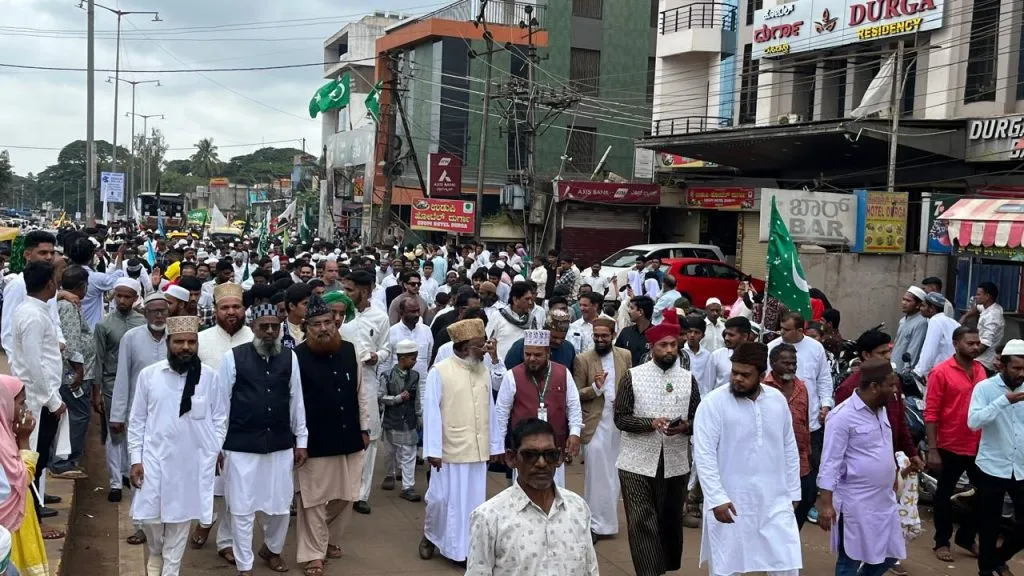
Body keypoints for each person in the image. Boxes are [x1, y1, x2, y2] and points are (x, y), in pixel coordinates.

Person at [128, 315, 227, 576]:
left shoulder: (210, 377)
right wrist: (135, 459)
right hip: (154, 460)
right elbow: (137, 420)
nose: (186, 347)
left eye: (191, 342)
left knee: (180, 522)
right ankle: (156, 551)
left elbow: (220, 418)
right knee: (150, 519)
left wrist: (215, 449)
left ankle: (169, 570)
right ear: (168, 343)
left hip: (191, 464)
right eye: (179, 342)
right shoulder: (150, 376)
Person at [693, 342, 802, 576]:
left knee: (786, 563)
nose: (737, 379)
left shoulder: (777, 400)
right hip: (732, 500)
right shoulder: (713, 403)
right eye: (734, 372)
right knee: (727, 565)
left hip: (774, 500)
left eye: (745, 375)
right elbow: (704, 454)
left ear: (762, 376)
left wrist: (793, 492)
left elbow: (789, 448)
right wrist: (716, 498)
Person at [217, 303, 308, 576]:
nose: (269, 331)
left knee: (280, 506)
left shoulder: (290, 358)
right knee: (242, 508)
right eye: (264, 326)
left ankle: (272, 549)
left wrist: (301, 441)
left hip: (279, 444)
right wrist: (217, 446)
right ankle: (244, 564)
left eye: (274, 327)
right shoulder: (233, 358)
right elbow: (220, 406)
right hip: (240, 446)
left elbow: (297, 401)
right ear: (253, 327)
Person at [614, 309, 700, 576]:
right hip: (636, 462)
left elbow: (697, 418)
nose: (669, 350)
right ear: (652, 347)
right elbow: (621, 418)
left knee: (668, 520)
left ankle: (660, 567)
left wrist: (686, 427)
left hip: (674, 462)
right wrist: (649, 423)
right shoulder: (633, 376)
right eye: (663, 345)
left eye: (673, 344)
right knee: (642, 520)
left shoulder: (688, 379)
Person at [293, 295, 369, 575]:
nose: (324, 328)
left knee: (348, 495)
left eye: (328, 322)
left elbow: (360, 392)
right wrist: (298, 441)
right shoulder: (296, 357)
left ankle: (326, 538)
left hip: (349, 435)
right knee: (313, 499)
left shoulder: (349, 350)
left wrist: (365, 427)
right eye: (317, 324)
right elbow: (294, 403)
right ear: (306, 327)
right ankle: (313, 553)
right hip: (314, 440)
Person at [419, 318, 505, 565]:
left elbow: (491, 408)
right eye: (480, 346)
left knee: (472, 504)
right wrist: (433, 450)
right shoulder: (440, 371)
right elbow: (431, 412)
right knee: (440, 500)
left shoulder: (483, 370)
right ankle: (431, 535)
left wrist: (495, 445)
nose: (484, 349)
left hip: (477, 450)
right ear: (463, 347)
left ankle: (464, 551)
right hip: (448, 450)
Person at [465, 418, 599, 576]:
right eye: (530, 455)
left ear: (559, 458)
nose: (541, 463)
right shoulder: (489, 518)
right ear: (511, 458)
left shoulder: (578, 508)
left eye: (550, 455)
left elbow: (591, 569)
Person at [817, 359, 907, 576]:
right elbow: (829, 463)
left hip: (884, 500)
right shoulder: (841, 417)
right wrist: (826, 505)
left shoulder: (881, 409)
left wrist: (892, 475)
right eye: (890, 385)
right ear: (875, 386)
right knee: (850, 559)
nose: (895, 391)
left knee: (889, 556)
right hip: (855, 504)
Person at [188, 283, 252, 562]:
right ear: (215, 310)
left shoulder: (255, 339)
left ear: (244, 309)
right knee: (209, 482)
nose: (231, 312)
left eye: (236, 307)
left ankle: (226, 541)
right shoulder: (201, 340)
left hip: (245, 423)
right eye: (225, 307)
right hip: (207, 423)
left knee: (236, 487)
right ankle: (206, 519)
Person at [10, 260, 66, 540]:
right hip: (37, 400)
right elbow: (33, 363)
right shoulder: (32, 315)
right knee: (33, 459)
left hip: (41, 396)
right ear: (50, 284)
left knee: (38, 460)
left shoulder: (34, 311)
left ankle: (35, 513)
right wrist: (52, 401)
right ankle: (33, 521)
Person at [924, 325, 985, 562]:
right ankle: (941, 542)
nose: (975, 347)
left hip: (978, 444)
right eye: (970, 343)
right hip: (949, 444)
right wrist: (933, 449)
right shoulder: (940, 372)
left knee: (987, 493)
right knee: (944, 495)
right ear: (956, 344)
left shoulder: (981, 370)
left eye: (977, 343)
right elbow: (931, 412)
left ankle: (966, 537)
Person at [495, 330, 583, 488]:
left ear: (548, 353)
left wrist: (575, 433)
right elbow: (501, 413)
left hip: (554, 448)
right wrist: (499, 445)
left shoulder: (563, 373)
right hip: (524, 450)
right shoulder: (511, 376)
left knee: (555, 491)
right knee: (524, 492)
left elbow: (574, 406)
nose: (531, 359)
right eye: (527, 354)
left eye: (537, 355)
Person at [967, 338, 1024, 576]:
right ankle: (986, 569)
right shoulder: (985, 388)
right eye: (1016, 368)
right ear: (1002, 365)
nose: (1021, 374)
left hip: (1021, 467)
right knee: (989, 524)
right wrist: (1003, 401)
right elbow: (973, 421)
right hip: (992, 465)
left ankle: (999, 558)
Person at [572, 315, 629, 542]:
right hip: (594, 424)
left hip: (618, 424)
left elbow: (630, 385)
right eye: (596, 336)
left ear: (613, 335)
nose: (600, 340)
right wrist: (595, 389)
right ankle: (594, 523)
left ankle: (608, 523)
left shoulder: (625, 356)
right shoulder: (583, 359)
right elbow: (575, 393)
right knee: (596, 475)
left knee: (614, 475)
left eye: (605, 336)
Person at [341, 270, 391, 515]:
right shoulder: (340, 315)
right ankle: (341, 489)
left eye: (350, 290)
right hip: (340, 379)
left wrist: (376, 356)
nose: (345, 294)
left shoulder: (380, 317)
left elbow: (386, 349)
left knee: (368, 436)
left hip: (368, 380)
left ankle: (361, 494)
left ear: (365, 291)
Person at [93, 277, 146, 503]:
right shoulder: (104, 325)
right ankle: (115, 483)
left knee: (135, 429)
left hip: (139, 384)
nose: (122, 301)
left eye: (127, 297)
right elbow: (98, 359)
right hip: (112, 384)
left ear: (135, 298)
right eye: (119, 296)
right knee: (115, 431)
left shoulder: (143, 323)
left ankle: (127, 471)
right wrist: (96, 391)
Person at [767, 312, 834, 493]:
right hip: (777, 426)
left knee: (810, 476)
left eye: (787, 329)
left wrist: (826, 405)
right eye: (781, 328)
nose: (782, 333)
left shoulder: (816, 348)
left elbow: (824, 379)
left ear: (799, 330)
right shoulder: (772, 348)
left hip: (810, 423)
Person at [761, 343, 814, 529]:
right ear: (773, 363)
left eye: (794, 363)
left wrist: (807, 452)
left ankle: (791, 537)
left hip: (800, 459)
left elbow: (805, 421)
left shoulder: (801, 387)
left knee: (806, 497)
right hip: (772, 459)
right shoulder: (763, 388)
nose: (791, 367)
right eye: (786, 363)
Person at [50, 265, 94, 480]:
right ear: (81, 286)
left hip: (69, 370)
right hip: (71, 373)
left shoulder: (63, 302)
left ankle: (61, 459)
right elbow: (71, 342)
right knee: (78, 415)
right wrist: (78, 369)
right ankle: (63, 462)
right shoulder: (68, 307)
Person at [0, 376, 47, 576]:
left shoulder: (6, 433)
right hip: (10, 527)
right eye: (20, 402)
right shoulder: (3, 443)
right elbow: (23, 477)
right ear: (5, 403)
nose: (24, 409)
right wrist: (24, 440)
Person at [1, 231, 64, 359]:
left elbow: (54, 319)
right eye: (43, 253)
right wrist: (18, 365)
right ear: (27, 255)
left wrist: (60, 341)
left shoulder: (49, 284)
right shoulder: (18, 284)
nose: (49, 257)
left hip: (51, 359)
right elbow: (8, 333)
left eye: (52, 253)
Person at [377, 339, 422, 502]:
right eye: (413, 358)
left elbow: (417, 398)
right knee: (390, 452)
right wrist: (397, 398)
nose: (415, 361)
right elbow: (380, 397)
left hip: (409, 422)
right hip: (392, 421)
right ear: (402, 358)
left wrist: (419, 416)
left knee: (409, 454)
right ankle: (390, 474)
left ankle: (407, 487)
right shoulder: (387, 376)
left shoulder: (415, 376)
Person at [503, 308, 577, 371]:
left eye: (563, 338)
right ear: (545, 330)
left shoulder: (569, 349)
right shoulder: (522, 345)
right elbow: (509, 374)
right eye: (554, 337)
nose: (558, 341)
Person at [382, 298, 432, 383]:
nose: (417, 314)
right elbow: (385, 363)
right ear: (401, 313)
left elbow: (428, 358)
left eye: (418, 311)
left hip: (422, 383)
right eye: (412, 311)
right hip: (396, 385)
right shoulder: (392, 332)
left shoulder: (426, 331)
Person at [961, 281, 1005, 375]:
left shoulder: (992, 316)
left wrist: (968, 357)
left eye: (978, 294)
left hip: (984, 363)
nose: (976, 297)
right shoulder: (991, 307)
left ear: (987, 296)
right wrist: (965, 316)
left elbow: (985, 343)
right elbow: (977, 308)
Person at [914, 291, 960, 379]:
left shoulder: (935, 320)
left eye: (923, 306)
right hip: (953, 371)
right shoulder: (954, 322)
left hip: (940, 373)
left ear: (932, 308)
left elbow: (929, 350)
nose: (920, 308)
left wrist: (919, 372)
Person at [487, 282, 537, 361]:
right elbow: (488, 342)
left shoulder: (531, 320)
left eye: (531, 299)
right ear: (515, 300)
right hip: (500, 365)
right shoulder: (498, 316)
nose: (530, 302)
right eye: (527, 299)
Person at [708, 316, 753, 391]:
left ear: (744, 336)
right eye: (726, 334)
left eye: (731, 335)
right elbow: (707, 386)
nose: (726, 338)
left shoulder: (755, 358)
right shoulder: (717, 355)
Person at [892, 286, 928, 372]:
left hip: (904, 372)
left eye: (908, 301)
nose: (904, 303)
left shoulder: (921, 323)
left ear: (918, 305)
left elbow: (914, 350)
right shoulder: (903, 321)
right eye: (903, 299)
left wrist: (906, 372)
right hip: (895, 367)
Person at [615, 296, 653, 367]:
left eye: (632, 308)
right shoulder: (626, 332)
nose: (628, 311)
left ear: (640, 312)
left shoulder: (657, 335)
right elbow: (616, 355)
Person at [282, 282, 311, 349]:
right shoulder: (279, 331)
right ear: (292, 306)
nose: (310, 307)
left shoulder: (314, 328)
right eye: (305, 303)